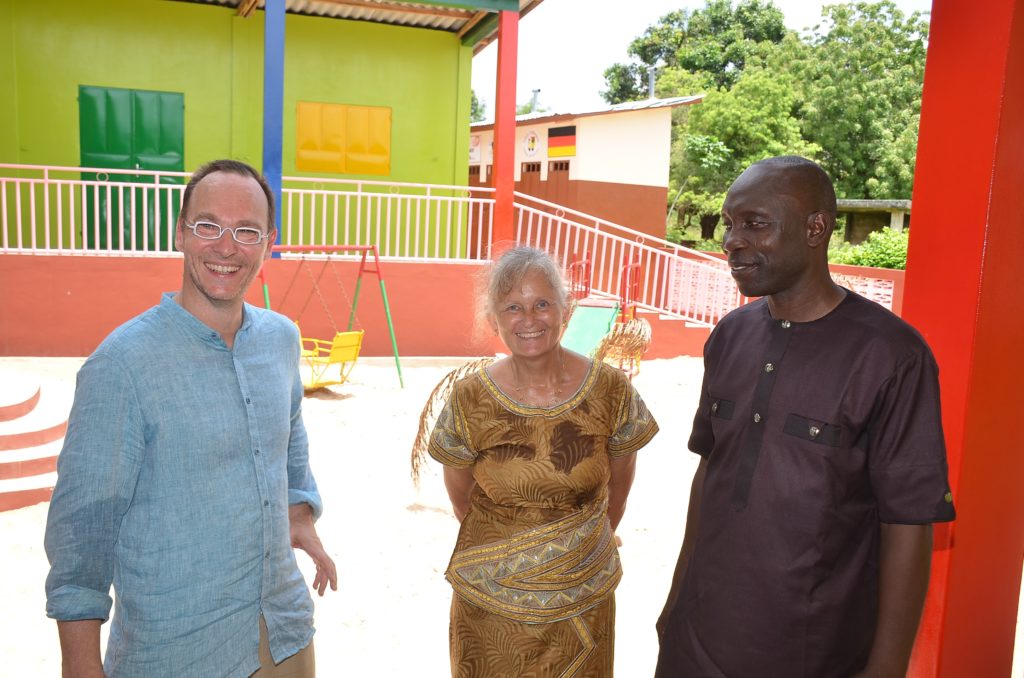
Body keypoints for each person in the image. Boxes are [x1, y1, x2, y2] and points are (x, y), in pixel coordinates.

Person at [655, 156, 956, 677]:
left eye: (755, 224)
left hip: (813, 651)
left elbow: (909, 521)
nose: (731, 240)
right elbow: (711, 472)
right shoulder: (730, 335)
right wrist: (675, 605)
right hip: (697, 642)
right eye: (729, 224)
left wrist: (886, 668)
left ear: (815, 228)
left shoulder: (892, 356)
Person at [44, 159, 338, 677]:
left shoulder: (281, 340)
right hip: (178, 652)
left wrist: (299, 513)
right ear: (181, 232)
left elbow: (289, 431)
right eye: (209, 226)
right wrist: (81, 665)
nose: (226, 247)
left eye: (246, 231)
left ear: (268, 242)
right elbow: (81, 537)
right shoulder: (122, 365)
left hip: (286, 633)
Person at [417, 245, 659, 676]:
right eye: (513, 307)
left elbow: (618, 489)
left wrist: (571, 556)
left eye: (542, 304)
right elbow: (462, 500)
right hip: (491, 607)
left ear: (566, 312)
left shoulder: (610, 389)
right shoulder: (470, 397)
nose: (529, 319)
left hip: (585, 599)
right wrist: (521, 564)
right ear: (493, 320)